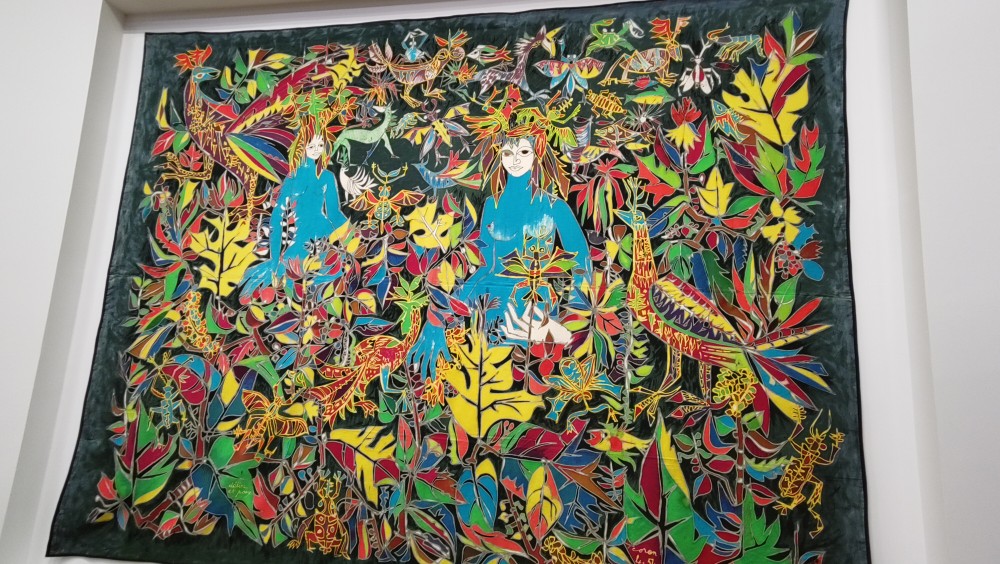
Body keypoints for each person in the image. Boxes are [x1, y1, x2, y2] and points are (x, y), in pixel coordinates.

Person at [407, 133, 593, 374]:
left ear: (538, 154)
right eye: (507, 153)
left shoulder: (554, 206)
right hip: (492, 312)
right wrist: (440, 314)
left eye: (523, 152)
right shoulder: (491, 206)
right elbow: (484, 268)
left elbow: (582, 267)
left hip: (535, 311)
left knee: (531, 377)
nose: (514, 160)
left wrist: (568, 330)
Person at [241, 125, 349, 299]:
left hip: (323, 236)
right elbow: (277, 218)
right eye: (311, 146)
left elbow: (334, 213)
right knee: (290, 287)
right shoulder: (293, 177)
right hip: (300, 239)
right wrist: (275, 260)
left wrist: (350, 235)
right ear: (302, 146)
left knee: (325, 287)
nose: (316, 150)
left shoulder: (327, 176)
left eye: (320, 145)